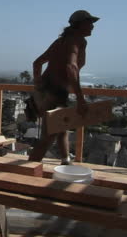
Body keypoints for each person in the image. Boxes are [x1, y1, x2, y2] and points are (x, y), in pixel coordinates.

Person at [28, 10, 99, 165]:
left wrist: (38, 84)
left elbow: (37, 63)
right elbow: (71, 67)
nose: (93, 26)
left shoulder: (60, 41)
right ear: (79, 25)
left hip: (47, 91)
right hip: (56, 93)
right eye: (90, 22)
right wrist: (80, 99)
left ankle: (66, 160)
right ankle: (26, 170)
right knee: (49, 136)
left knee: (62, 126)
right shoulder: (77, 40)